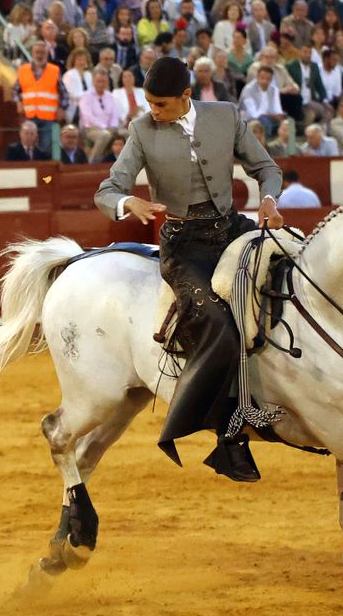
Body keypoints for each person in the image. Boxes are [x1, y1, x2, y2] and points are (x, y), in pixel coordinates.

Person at [93, 57, 283, 483]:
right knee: (217, 321)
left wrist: (269, 200)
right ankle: (230, 438)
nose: (152, 111)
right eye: (149, 104)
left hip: (232, 229)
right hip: (184, 245)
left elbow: (266, 168)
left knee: (290, 275)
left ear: (185, 97)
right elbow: (108, 189)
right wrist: (128, 203)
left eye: (160, 104)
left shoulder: (225, 116)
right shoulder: (142, 130)